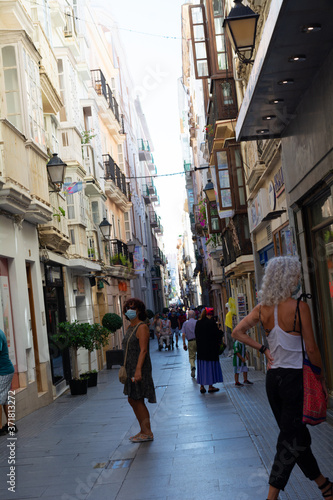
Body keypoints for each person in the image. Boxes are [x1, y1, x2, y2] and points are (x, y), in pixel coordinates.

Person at [232, 256, 331, 500]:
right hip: (296, 380)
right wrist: (320, 377)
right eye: (296, 275)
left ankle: (325, 486)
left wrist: (262, 349)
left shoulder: (263, 308)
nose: (298, 279)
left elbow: (237, 332)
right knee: (290, 439)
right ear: (289, 278)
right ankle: (272, 496)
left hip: (273, 381)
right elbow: (312, 349)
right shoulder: (299, 307)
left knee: (296, 437)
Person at [122, 298, 156, 443]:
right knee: (132, 398)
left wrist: (138, 370)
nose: (130, 310)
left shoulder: (142, 327)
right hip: (130, 368)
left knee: (138, 399)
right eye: (128, 307)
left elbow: (143, 350)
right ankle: (142, 430)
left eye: (134, 307)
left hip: (139, 368)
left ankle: (147, 432)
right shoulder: (130, 327)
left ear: (140, 310)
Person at [195, 307, 223, 394]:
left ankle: (202, 386)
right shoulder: (211, 323)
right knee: (210, 368)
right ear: (210, 314)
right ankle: (210, 387)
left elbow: (196, 335)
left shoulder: (198, 323)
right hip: (210, 350)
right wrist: (220, 331)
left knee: (202, 368)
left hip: (201, 350)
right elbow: (216, 334)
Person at [0, 328, 15, 436]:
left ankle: (0, 428)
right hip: (6, 370)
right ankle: (11, 425)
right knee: (5, 398)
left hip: (3, 372)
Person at [182, 310, 197, 378]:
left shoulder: (185, 323)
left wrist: (184, 344)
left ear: (188, 316)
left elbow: (183, 334)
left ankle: (193, 366)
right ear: (194, 315)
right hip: (198, 341)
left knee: (191, 356)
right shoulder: (197, 322)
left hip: (190, 342)